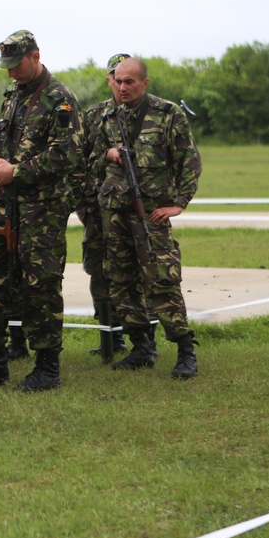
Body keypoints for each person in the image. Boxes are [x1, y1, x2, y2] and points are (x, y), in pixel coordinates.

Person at [0, 30, 82, 391]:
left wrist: (18, 172)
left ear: (35, 56)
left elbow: (67, 154)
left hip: (43, 209)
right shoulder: (13, 94)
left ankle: (46, 367)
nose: (10, 72)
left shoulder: (60, 99)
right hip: (7, 205)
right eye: (6, 66)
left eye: (16, 64)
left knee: (40, 286)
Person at [90, 57, 202, 379]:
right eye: (119, 81)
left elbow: (190, 161)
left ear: (144, 83)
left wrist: (179, 202)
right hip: (115, 213)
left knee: (162, 279)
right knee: (121, 281)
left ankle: (185, 350)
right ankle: (141, 347)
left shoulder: (168, 115)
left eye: (130, 82)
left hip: (150, 214)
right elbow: (92, 163)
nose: (122, 88)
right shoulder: (108, 118)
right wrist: (107, 155)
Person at [77, 53, 131, 360]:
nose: (121, 83)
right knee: (98, 270)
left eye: (126, 77)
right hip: (98, 211)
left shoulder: (154, 114)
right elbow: (79, 162)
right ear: (109, 80)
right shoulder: (94, 115)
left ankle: (139, 335)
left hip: (133, 211)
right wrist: (83, 207)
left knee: (135, 271)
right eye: (115, 77)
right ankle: (109, 336)